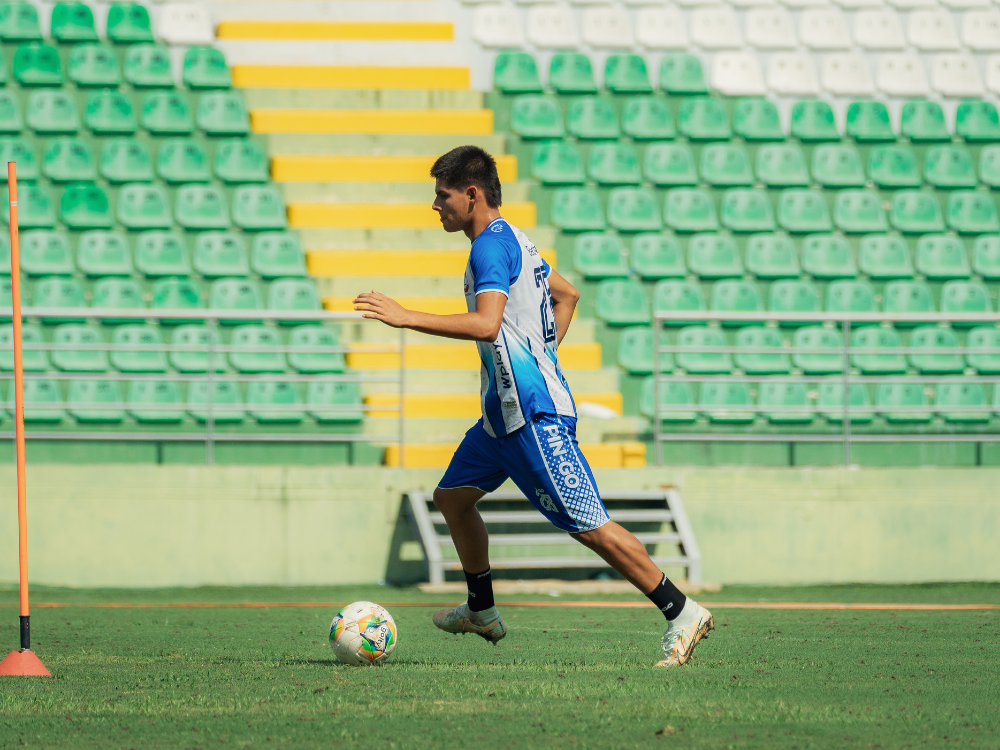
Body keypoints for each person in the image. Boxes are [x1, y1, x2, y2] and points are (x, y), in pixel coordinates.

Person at [354, 145, 714, 666]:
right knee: (452, 498)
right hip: (500, 419)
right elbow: (566, 296)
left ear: (471, 193)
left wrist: (406, 316)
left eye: (442, 194)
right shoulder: (516, 240)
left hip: (532, 418)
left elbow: (486, 325)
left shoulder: (488, 249)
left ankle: (682, 612)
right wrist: (542, 354)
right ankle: (482, 609)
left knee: (591, 526)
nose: (435, 205)